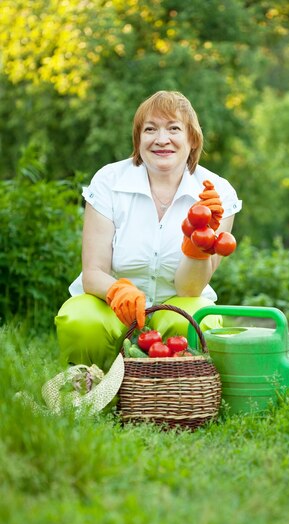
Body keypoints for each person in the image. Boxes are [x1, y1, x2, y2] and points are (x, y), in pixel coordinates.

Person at [55, 90, 242, 371]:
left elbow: (190, 289)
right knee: (81, 318)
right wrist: (117, 290)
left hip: (176, 304)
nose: (161, 139)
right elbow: (93, 272)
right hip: (111, 307)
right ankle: (93, 384)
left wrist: (196, 243)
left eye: (174, 129)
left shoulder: (215, 194)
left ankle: (172, 387)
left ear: (192, 139)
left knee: (195, 321)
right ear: (138, 139)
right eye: (150, 129)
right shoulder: (110, 181)